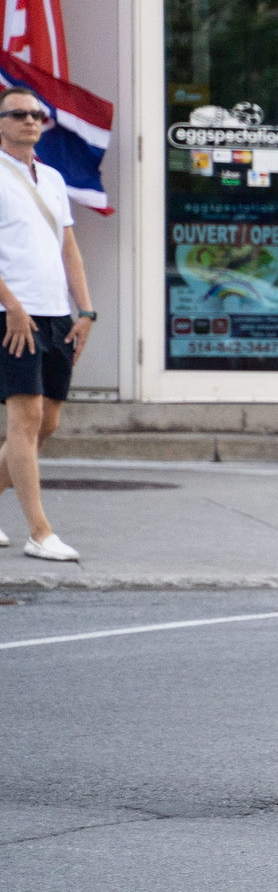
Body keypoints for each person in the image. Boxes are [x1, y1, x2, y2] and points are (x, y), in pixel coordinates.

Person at [0, 88, 94, 563]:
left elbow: (69, 249)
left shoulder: (53, 179)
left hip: (58, 315)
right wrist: (12, 306)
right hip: (13, 316)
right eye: (19, 115)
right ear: (1, 123)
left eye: (37, 114)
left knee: (48, 421)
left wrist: (87, 310)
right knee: (26, 416)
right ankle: (40, 531)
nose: (30, 121)